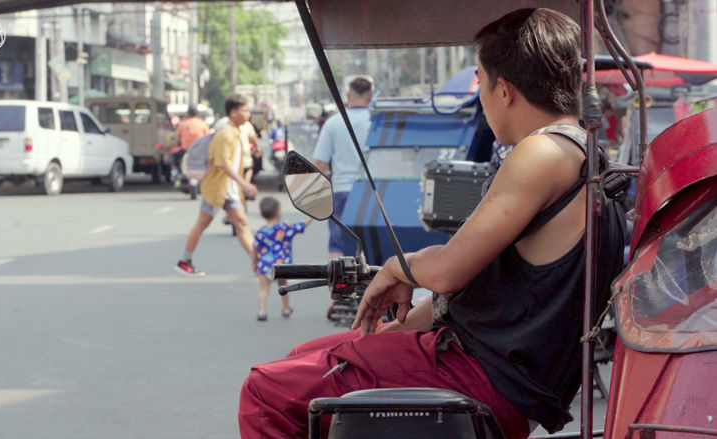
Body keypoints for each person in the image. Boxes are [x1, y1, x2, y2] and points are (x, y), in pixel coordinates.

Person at [238, 8, 625, 439]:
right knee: (306, 354)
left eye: (480, 80)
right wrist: (398, 328)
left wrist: (396, 268)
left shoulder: (542, 154)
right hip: (490, 366)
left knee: (265, 390)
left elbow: (447, 270)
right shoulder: (583, 151)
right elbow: (477, 284)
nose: (479, 95)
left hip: (482, 375)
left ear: (505, 90)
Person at [174, 94, 259, 276]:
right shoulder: (225, 134)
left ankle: (259, 265)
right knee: (203, 223)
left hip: (228, 189)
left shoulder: (234, 131)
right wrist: (245, 184)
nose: (248, 114)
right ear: (233, 112)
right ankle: (185, 261)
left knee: (242, 223)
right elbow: (223, 164)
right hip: (217, 189)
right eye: (245, 111)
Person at [312, 76, 373, 259]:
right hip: (373, 193)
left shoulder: (333, 123)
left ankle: (338, 286)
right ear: (370, 97)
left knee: (338, 247)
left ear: (348, 95)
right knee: (373, 244)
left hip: (342, 192)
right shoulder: (377, 122)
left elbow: (320, 164)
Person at [252, 197, 313, 321]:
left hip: (264, 265)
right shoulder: (285, 228)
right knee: (283, 287)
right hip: (282, 266)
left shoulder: (260, 231)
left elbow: (255, 248)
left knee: (263, 288)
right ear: (278, 211)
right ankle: (285, 308)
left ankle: (262, 311)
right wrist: (312, 215)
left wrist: (255, 263)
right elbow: (302, 225)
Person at [172, 104, 210, 178]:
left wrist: (177, 145)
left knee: (174, 155)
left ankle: (175, 174)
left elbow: (177, 139)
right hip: (201, 151)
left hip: (185, 151)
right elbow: (208, 138)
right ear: (197, 113)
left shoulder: (183, 124)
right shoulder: (203, 124)